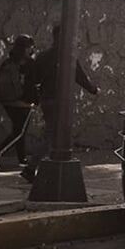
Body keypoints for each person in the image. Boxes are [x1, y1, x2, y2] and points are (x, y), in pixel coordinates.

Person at [22, 25, 99, 182]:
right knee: (53, 135)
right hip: (60, 101)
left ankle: (43, 167)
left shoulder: (43, 56)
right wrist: (93, 90)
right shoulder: (68, 57)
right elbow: (80, 77)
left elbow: (34, 78)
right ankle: (32, 167)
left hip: (46, 99)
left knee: (53, 133)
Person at [0, 35, 37, 172]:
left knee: (19, 128)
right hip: (22, 102)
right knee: (20, 131)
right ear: (28, 48)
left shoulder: (7, 62)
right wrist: (36, 100)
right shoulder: (29, 63)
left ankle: (22, 159)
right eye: (31, 47)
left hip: (6, 101)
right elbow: (33, 84)